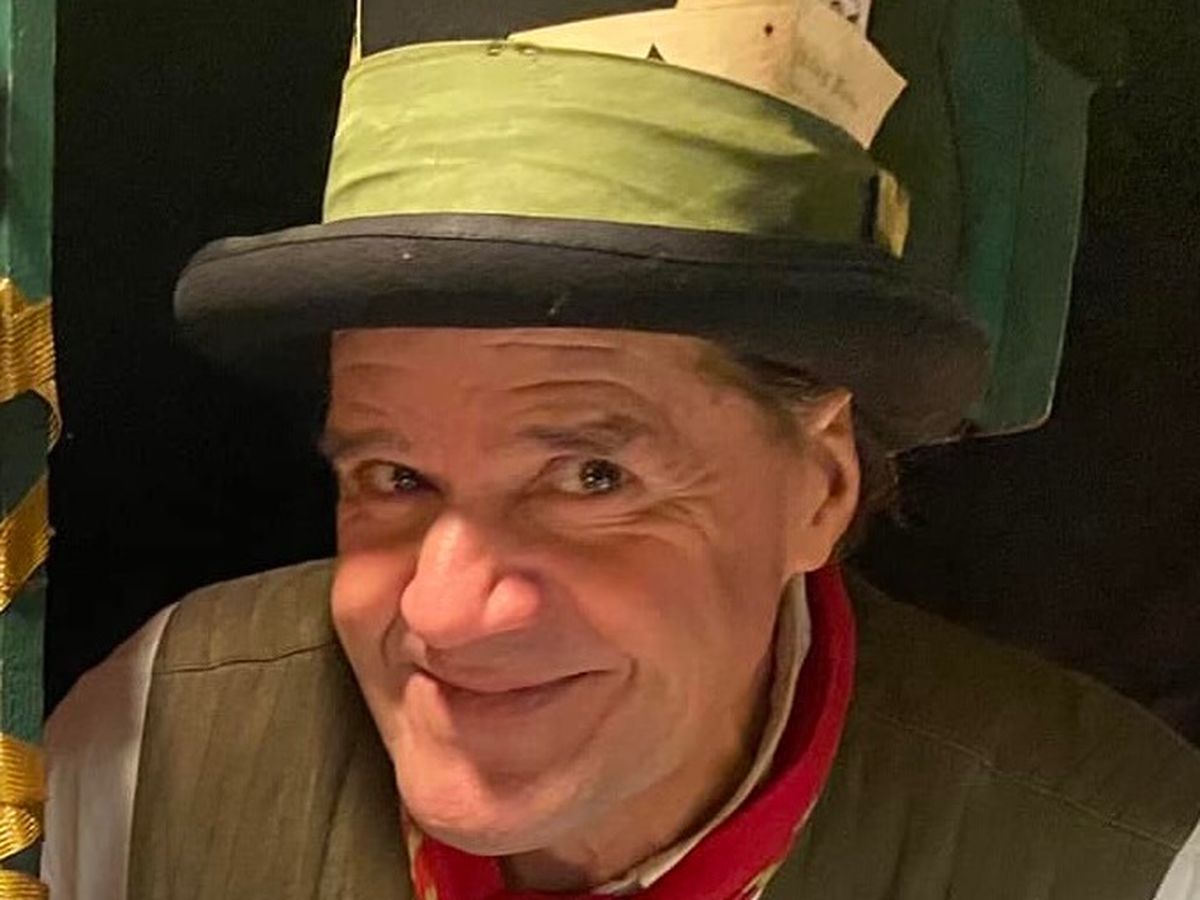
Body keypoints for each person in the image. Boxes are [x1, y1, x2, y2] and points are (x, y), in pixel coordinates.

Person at [43, 2, 1200, 898]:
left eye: (592, 476)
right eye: (394, 477)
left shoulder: (1129, 859)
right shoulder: (147, 755)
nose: (445, 613)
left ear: (821, 486)